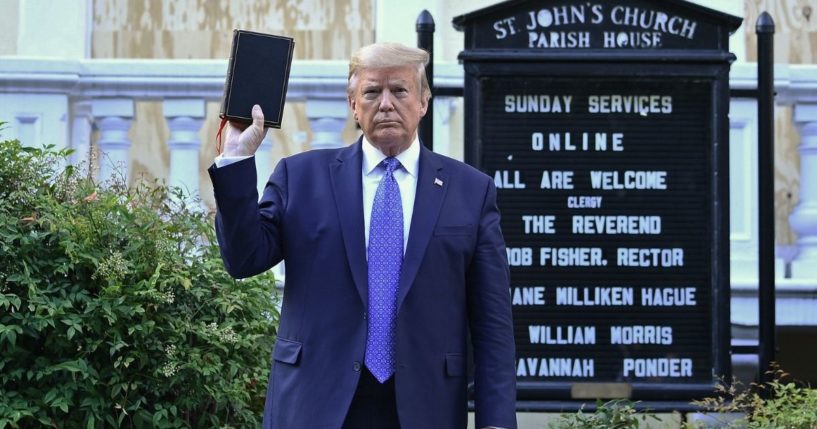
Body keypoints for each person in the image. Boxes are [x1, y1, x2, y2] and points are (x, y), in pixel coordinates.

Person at [208, 42, 516, 429]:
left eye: (400, 91)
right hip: (315, 405)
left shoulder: (471, 191)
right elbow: (243, 258)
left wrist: (497, 422)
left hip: (425, 408)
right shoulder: (301, 178)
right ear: (353, 104)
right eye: (372, 92)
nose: (386, 103)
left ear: (423, 101)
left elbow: (493, 329)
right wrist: (237, 159)